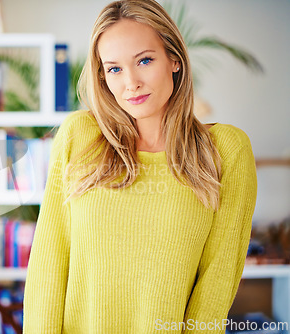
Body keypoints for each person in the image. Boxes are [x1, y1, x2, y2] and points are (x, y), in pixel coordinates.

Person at [23, 0, 257, 333]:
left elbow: (216, 283)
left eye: (144, 60)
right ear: (102, 76)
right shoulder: (79, 136)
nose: (130, 82)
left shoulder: (226, 151)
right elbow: (48, 264)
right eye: (114, 68)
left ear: (174, 60)